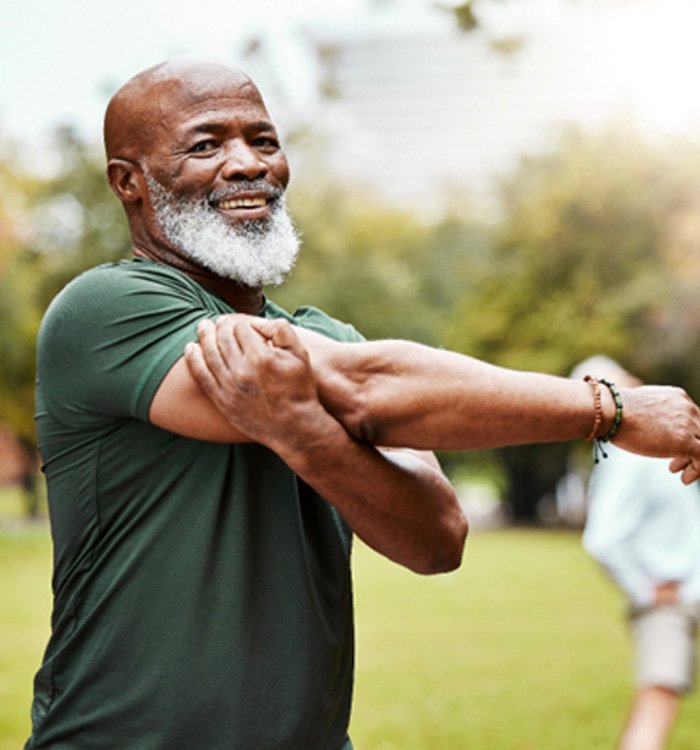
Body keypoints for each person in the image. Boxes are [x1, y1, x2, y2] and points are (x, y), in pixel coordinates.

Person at [26, 56, 700, 748]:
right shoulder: (104, 310)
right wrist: (609, 409)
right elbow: (366, 387)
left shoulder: (327, 338)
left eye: (263, 140)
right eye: (206, 145)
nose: (248, 164)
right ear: (128, 182)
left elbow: (438, 539)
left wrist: (307, 437)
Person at [577, 357, 700, 750]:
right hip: (672, 598)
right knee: (658, 700)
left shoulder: (642, 451)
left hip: (686, 591)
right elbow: (602, 538)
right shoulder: (631, 457)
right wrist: (647, 591)